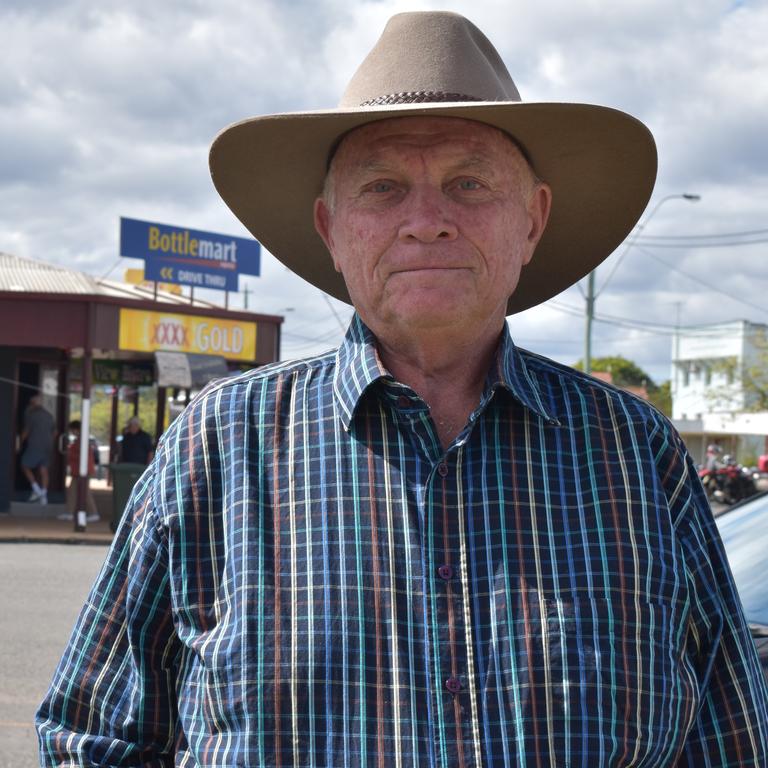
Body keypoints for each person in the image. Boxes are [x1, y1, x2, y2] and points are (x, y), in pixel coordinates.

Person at [37, 11, 768, 766]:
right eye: (383, 187)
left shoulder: (634, 453)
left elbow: (729, 741)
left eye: (469, 183)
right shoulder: (219, 446)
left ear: (533, 221)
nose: (426, 222)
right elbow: (93, 738)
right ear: (331, 229)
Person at [19, 392, 55, 505]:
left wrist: (19, 441)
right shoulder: (49, 415)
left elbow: (26, 431)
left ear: (33, 403)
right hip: (48, 446)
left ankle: (36, 489)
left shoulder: (31, 415)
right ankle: (44, 495)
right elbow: (55, 432)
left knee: (24, 465)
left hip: (35, 445)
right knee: (44, 470)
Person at [63, 419, 99, 522]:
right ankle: (69, 513)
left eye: (72, 430)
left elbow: (82, 456)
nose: (71, 432)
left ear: (76, 429)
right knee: (73, 491)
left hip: (83, 470)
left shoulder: (82, 441)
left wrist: (70, 453)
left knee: (85, 492)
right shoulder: (81, 440)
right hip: (79, 470)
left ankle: (93, 513)